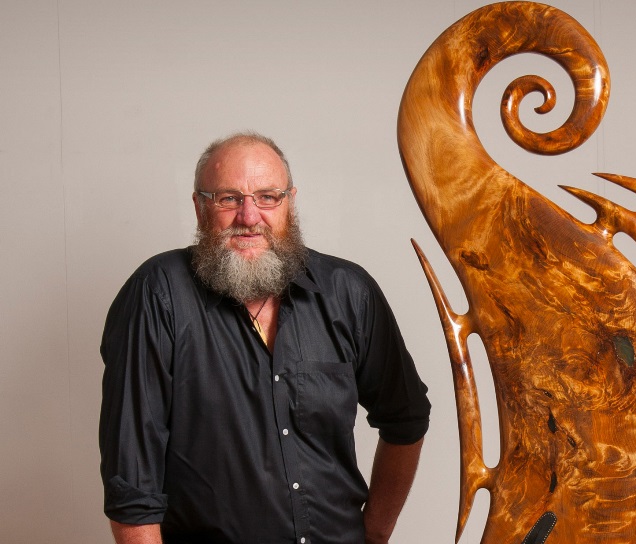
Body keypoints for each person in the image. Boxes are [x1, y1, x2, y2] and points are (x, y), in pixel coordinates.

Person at [99, 132, 430, 544]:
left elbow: (406, 417)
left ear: (289, 203)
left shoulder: (348, 292)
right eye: (228, 199)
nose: (249, 216)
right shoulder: (158, 295)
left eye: (267, 197)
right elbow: (133, 485)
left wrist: (375, 533)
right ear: (200, 207)